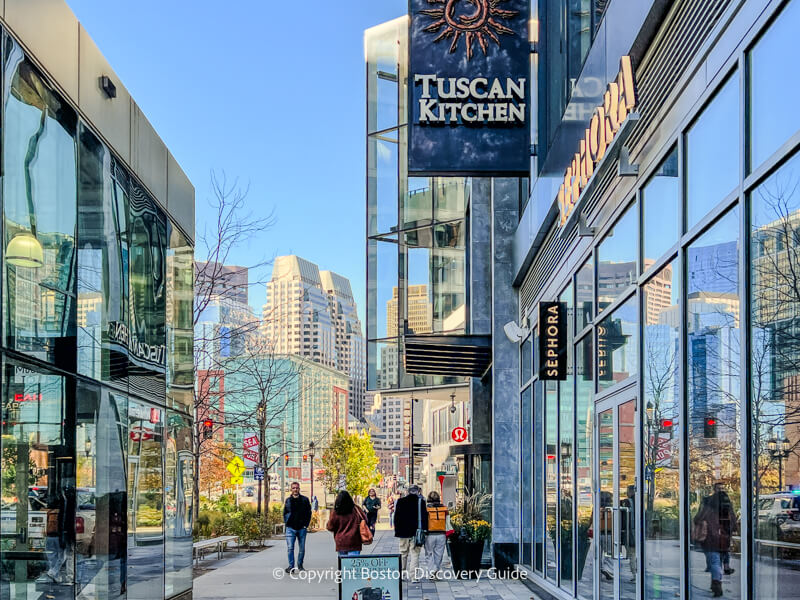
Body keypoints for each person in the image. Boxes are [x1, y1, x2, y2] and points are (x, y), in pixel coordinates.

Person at [693, 483, 737, 597]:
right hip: (724, 540)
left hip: (710, 540)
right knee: (718, 562)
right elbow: (734, 524)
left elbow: (697, 518)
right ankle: (715, 583)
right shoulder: (728, 510)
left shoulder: (708, 508)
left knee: (714, 563)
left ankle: (717, 584)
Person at [394, 484, 428, 583]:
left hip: (403, 532)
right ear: (418, 491)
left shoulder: (400, 501)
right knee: (415, 554)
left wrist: (397, 531)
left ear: (408, 492)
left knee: (403, 553)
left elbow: (397, 518)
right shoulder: (420, 502)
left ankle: (402, 575)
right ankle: (414, 577)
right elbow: (424, 517)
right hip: (416, 532)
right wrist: (425, 530)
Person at [283, 481, 312, 573]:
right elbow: (285, 512)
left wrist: (306, 524)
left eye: (297, 488)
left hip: (301, 528)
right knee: (290, 548)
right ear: (291, 489)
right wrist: (286, 522)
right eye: (293, 488)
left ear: (299, 489)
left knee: (302, 548)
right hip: (290, 528)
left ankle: (300, 565)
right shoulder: (288, 500)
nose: (295, 489)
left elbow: (309, 513)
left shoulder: (305, 500)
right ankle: (291, 566)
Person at [326, 490, 366, 557]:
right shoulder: (356, 509)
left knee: (343, 564)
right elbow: (365, 520)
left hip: (341, 541)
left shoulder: (336, 512)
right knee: (353, 564)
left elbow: (330, 527)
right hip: (355, 541)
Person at [424, 491, 448, 579]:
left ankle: (431, 571)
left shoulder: (426, 509)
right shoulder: (445, 509)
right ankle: (436, 569)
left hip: (430, 534)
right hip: (441, 533)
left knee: (429, 553)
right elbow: (448, 522)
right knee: (439, 554)